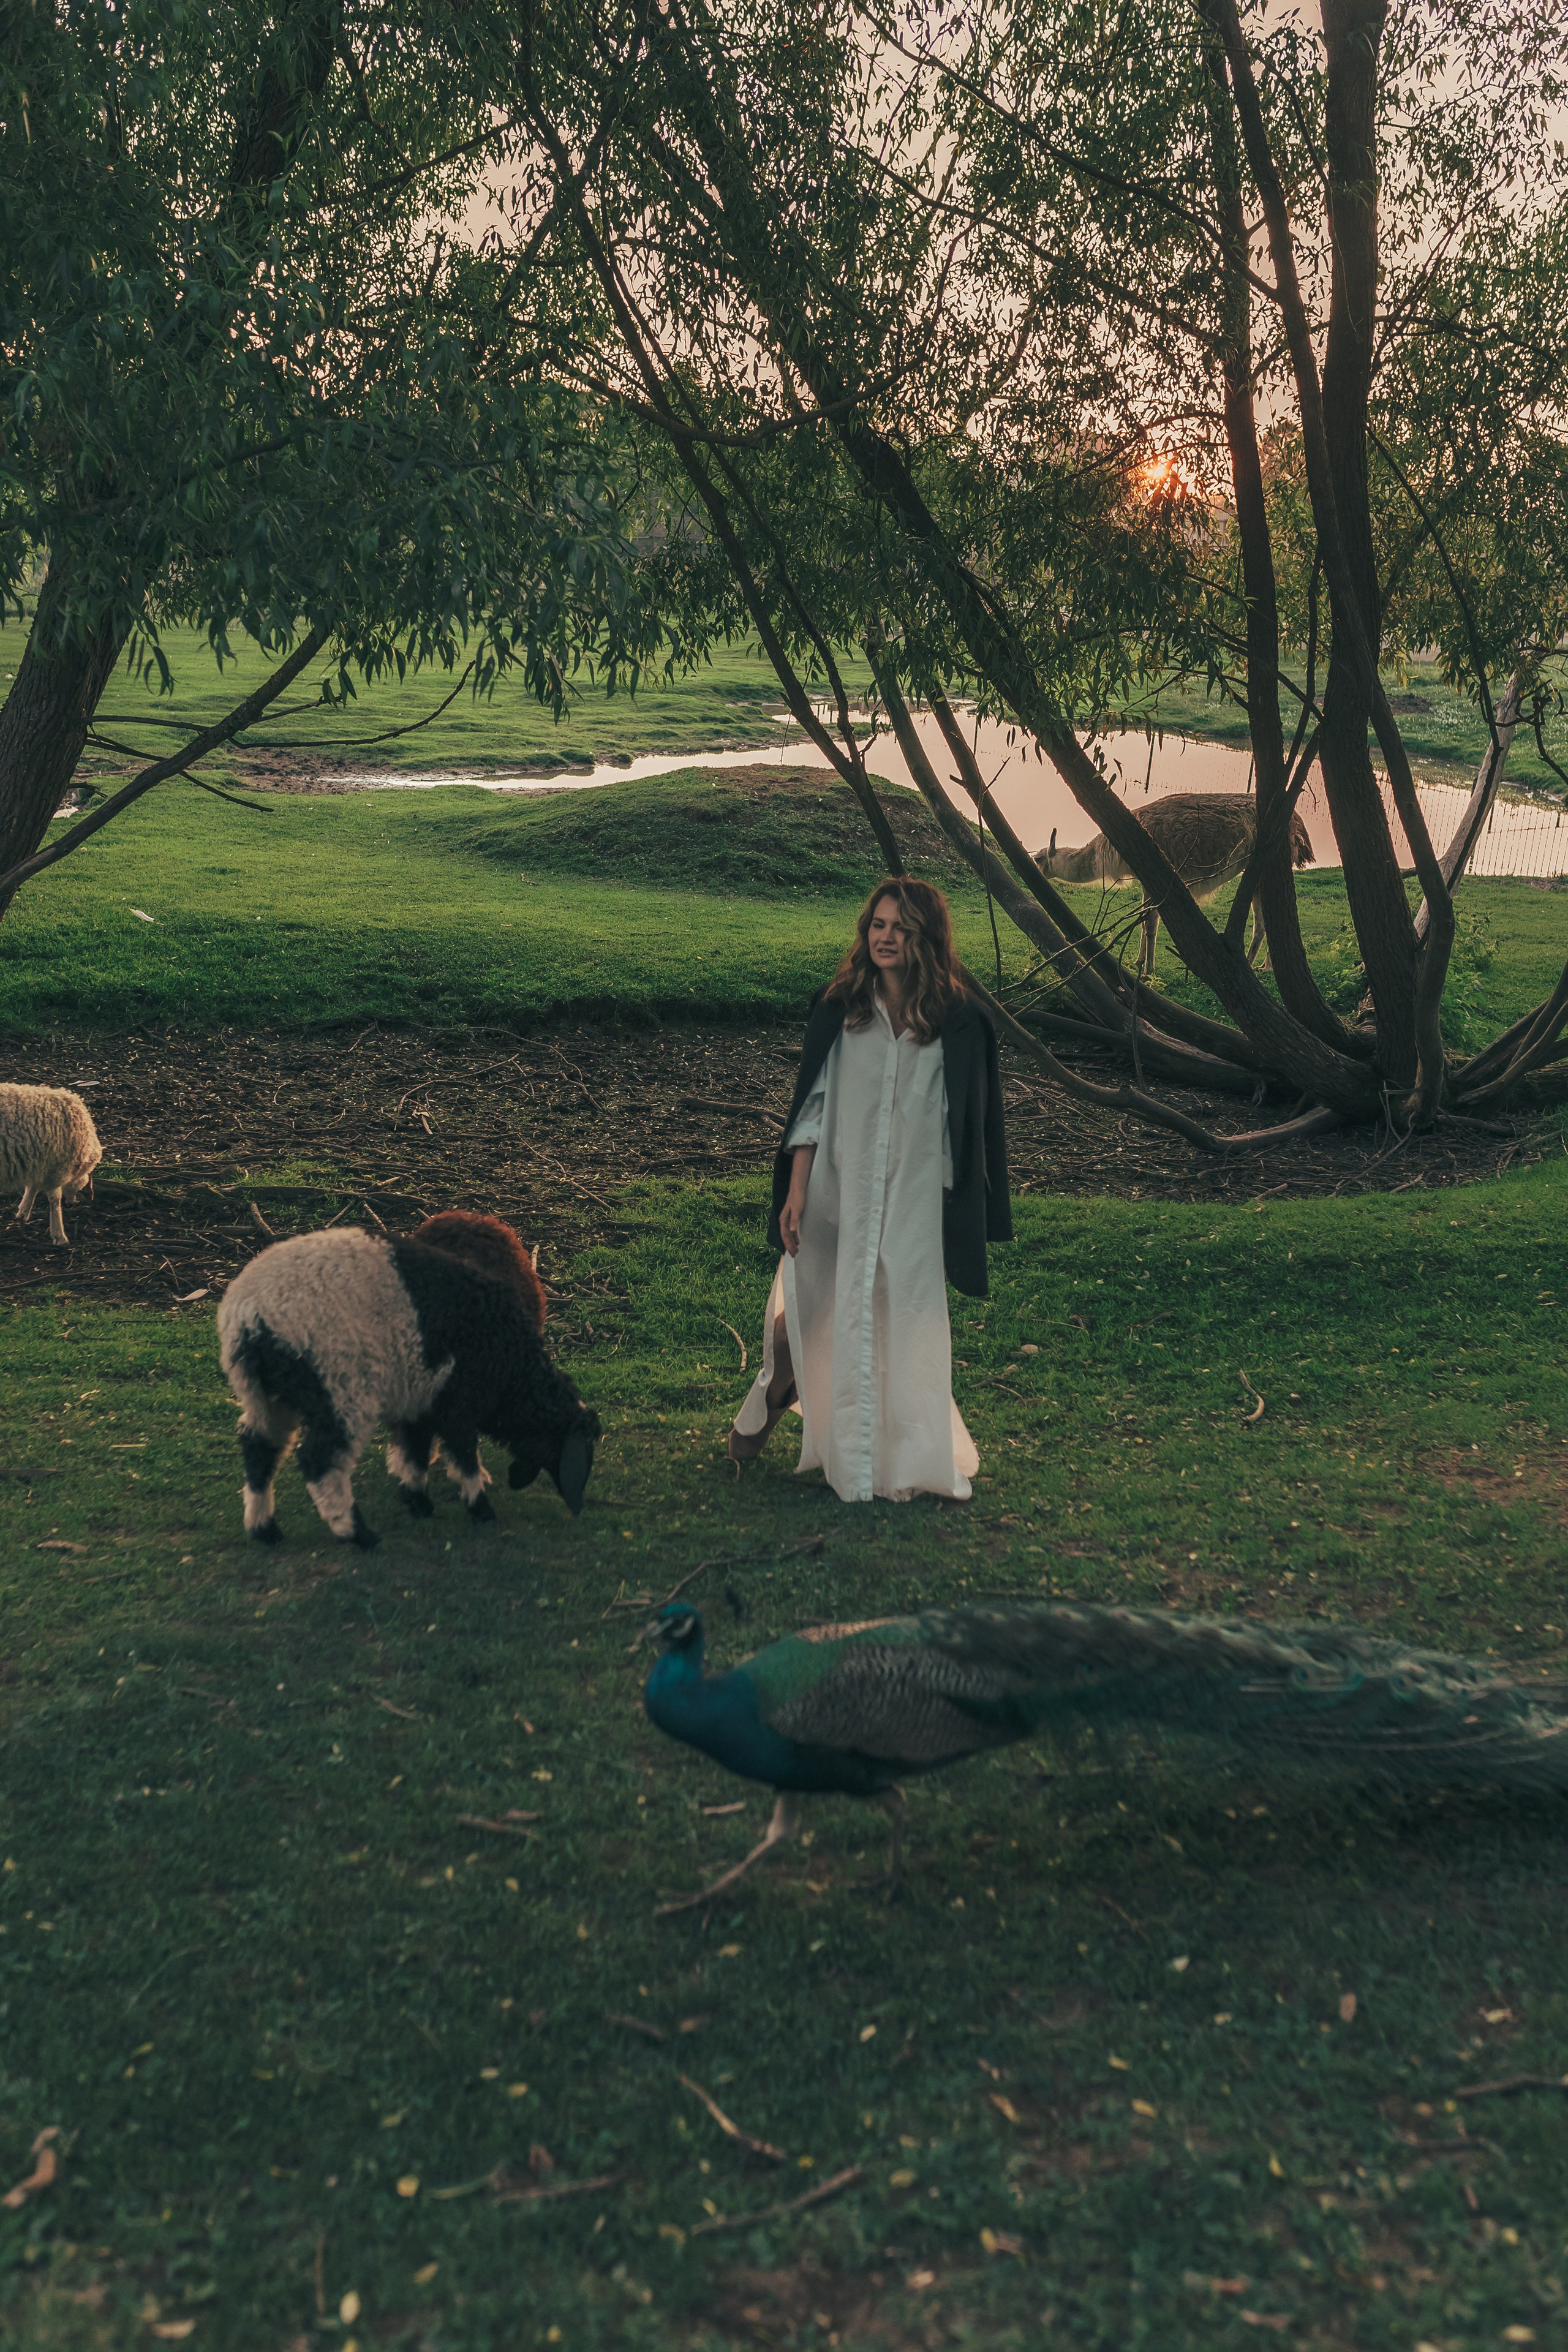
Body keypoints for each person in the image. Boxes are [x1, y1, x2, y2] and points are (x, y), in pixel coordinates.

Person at [728, 876, 1011, 1503]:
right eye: (878, 925)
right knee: (816, 1305)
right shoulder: (842, 1009)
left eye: (900, 928)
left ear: (926, 938)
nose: (886, 938)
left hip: (914, 1195)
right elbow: (811, 1108)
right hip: (838, 1184)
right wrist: (796, 1191)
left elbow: (974, 1122)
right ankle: (777, 1382)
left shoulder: (959, 1022)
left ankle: (892, 1463)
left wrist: (966, 1203)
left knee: (902, 1320)